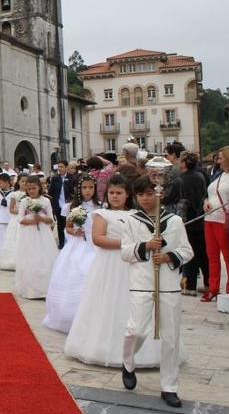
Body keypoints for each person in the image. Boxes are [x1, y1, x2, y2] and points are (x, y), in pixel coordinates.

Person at [65, 174, 161, 367]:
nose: (115, 196)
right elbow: (98, 239)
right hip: (109, 263)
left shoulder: (137, 214)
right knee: (108, 300)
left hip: (133, 263)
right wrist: (130, 244)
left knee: (133, 301)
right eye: (111, 193)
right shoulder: (102, 214)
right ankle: (102, 346)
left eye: (119, 193)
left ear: (128, 195)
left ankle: (139, 349)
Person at [120, 175, 193, 409]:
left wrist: (171, 256)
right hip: (141, 281)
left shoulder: (174, 221)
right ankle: (128, 362)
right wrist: (145, 247)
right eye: (140, 194)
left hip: (168, 284)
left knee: (170, 337)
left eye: (149, 194)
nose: (145, 198)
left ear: (159, 194)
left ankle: (169, 387)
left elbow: (187, 250)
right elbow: (125, 252)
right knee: (135, 330)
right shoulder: (131, 220)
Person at [43, 175, 98, 333]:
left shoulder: (101, 206)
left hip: (94, 244)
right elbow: (67, 227)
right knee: (74, 272)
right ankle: (68, 313)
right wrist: (75, 231)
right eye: (84, 188)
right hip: (77, 244)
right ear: (79, 189)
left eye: (90, 188)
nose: (87, 191)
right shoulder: (71, 207)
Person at [163, 152, 208, 296]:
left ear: (184, 163)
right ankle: (207, 283)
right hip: (199, 217)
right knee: (202, 253)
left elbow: (170, 198)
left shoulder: (181, 179)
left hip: (186, 218)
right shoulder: (200, 175)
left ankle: (190, 286)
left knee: (188, 252)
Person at [201, 146, 229, 302]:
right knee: (212, 256)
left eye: (221, 157)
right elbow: (209, 194)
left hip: (224, 218)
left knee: (228, 255)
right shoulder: (218, 175)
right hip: (209, 218)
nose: (219, 160)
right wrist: (205, 202)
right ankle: (213, 288)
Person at [14, 176, 57, 299]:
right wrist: (32, 221)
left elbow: (51, 219)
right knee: (30, 258)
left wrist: (41, 218)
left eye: (34, 188)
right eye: (29, 189)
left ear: (39, 187)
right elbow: (20, 219)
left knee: (43, 258)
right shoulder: (24, 201)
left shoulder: (45, 201)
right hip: (28, 233)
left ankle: (44, 288)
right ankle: (30, 289)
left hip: (43, 233)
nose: (31, 191)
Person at [0, 175, 25, 270]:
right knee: (11, 239)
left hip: (24, 219)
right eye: (22, 181)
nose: (24, 183)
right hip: (13, 218)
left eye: (26, 181)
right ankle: (12, 260)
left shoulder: (29, 194)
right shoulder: (14, 194)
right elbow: (10, 209)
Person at [49, 161, 76, 249]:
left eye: (62, 166)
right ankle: (61, 243)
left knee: (69, 224)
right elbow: (51, 192)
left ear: (66, 167)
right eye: (59, 167)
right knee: (60, 225)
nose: (60, 168)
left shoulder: (71, 177)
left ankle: (70, 243)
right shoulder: (55, 178)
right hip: (58, 205)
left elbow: (73, 191)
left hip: (69, 205)